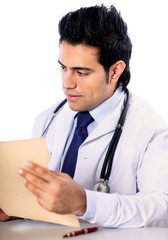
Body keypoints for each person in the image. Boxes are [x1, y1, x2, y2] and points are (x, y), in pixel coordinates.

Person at [1, 4, 168, 228]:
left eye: (81, 72)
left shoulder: (153, 131)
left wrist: (84, 202)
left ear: (115, 70)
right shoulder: (47, 119)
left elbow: (161, 208)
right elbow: (43, 197)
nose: (66, 83)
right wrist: (17, 207)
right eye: (63, 68)